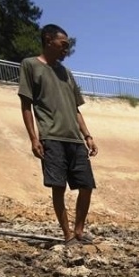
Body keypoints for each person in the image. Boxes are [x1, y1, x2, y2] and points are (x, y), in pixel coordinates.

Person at [18, 24, 98, 246]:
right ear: (48, 40)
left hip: (74, 138)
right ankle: (67, 235)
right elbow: (26, 104)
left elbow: (76, 109)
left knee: (86, 186)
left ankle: (79, 231)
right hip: (51, 137)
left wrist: (88, 135)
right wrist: (34, 138)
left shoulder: (66, 73)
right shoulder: (30, 65)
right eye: (63, 45)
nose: (67, 49)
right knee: (58, 187)